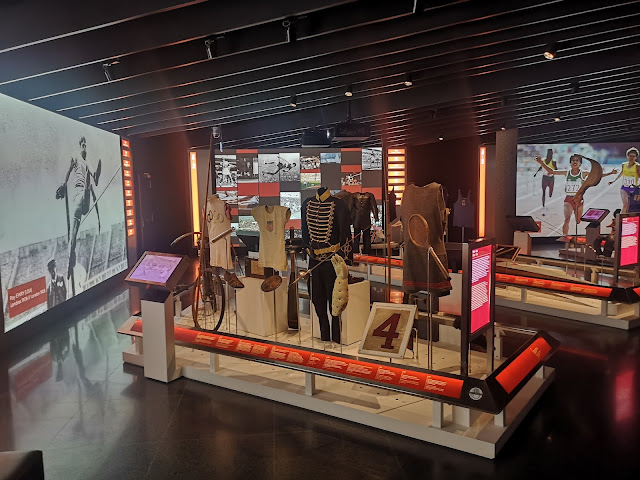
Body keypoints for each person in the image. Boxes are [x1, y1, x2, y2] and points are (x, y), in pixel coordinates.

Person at [535, 154, 616, 236]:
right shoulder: (567, 172)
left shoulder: (583, 173)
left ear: (580, 163)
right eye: (573, 160)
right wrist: (541, 162)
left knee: (578, 221)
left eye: (577, 160)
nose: (575, 162)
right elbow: (551, 171)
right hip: (568, 199)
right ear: (570, 163)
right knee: (567, 219)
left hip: (579, 200)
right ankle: (565, 236)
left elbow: (597, 176)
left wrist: (610, 173)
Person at [56, 136, 102, 281]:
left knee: (89, 186)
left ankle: (93, 178)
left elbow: (94, 193)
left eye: (85, 145)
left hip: (85, 198)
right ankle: (70, 259)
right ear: (79, 145)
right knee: (74, 233)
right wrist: (64, 184)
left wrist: (99, 217)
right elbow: (69, 169)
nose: (84, 147)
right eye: (83, 144)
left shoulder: (87, 161)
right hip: (77, 194)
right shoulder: (75, 155)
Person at [608, 147, 640, 213]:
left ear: (636, 157)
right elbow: (622, 173)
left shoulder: (637, 166)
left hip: (634, 189)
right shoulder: (624, 165)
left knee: (631, 206)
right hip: (624, 187)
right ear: (627, 156)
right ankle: (622, 218)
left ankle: (628, 217)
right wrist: (613, 181)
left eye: (633, 156)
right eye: (630, 156)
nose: (631, 158)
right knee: (625, 204)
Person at [533, 149, 557, 216]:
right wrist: (536, 173)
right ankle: (543, 207)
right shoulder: (543, 160)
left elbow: (556, 169)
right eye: (549, 153)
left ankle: (550, 192)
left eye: (551, 153)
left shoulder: (554, 161)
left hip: (551, 178)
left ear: (552, 154)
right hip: (545, 178)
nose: (550, 155)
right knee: (543, 192)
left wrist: (551, 172)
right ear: (547, 153)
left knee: (550, 194)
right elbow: (541, 167)